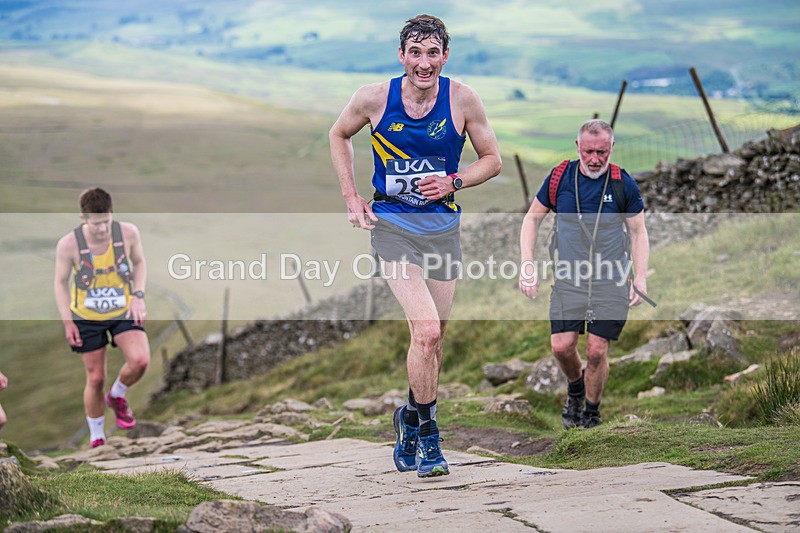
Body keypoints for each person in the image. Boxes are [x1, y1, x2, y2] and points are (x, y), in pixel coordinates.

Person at [329, 14, 501, 477]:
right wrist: (351, 197)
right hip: (393, 226)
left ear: (445, 55)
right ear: (401, 55)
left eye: (433, 53)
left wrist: (454, 181)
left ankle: (407, 416)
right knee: (424, 332)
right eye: (415, 53)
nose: (424, 63)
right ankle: (428, 436)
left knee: (434, 339)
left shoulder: (463, 99)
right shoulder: (373, 98)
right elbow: (338, 134)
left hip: (442, 229)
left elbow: (493, 160)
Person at [519, 119, 650, 429]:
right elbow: (531, 220)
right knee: (562, 347)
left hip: (611, 278)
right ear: (578, 146)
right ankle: (576, 386)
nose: (594, 159)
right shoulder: (559, 178)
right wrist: (527, 264)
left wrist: (641, 277)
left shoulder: (623, 184)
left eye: (602, 152)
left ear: (611, 148)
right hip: (569, 277)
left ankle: (590, 413)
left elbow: (638, 232)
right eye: (589, 151)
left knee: (595, 350)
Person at [54, 188, 150, 448]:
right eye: (96, 224)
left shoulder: (128, 233)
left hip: (123, 308)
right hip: (86, 316)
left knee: (140, 360)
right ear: (83, 218)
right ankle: (97, 437)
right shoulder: (68, 244)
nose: (102, 229)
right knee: (95, 378)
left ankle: (117, 395)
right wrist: (68, 321)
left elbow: (139, 262)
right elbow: (60, 283)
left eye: (106, 222)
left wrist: (138, 295)